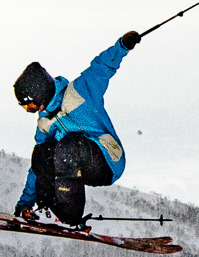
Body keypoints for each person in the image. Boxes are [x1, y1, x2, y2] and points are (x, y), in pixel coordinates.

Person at [12, 31, 140, 227]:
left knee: (67, 147)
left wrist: (122, 46)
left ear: (40, 93)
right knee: (41, 152)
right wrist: (25, 202)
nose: (30, 111)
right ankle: (46, 208)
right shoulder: (45, 123)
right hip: (75, 165)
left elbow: (102, 67)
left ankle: (69, 218)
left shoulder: (80, 92)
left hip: (108, 160)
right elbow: (37, 167)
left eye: (29, 106)